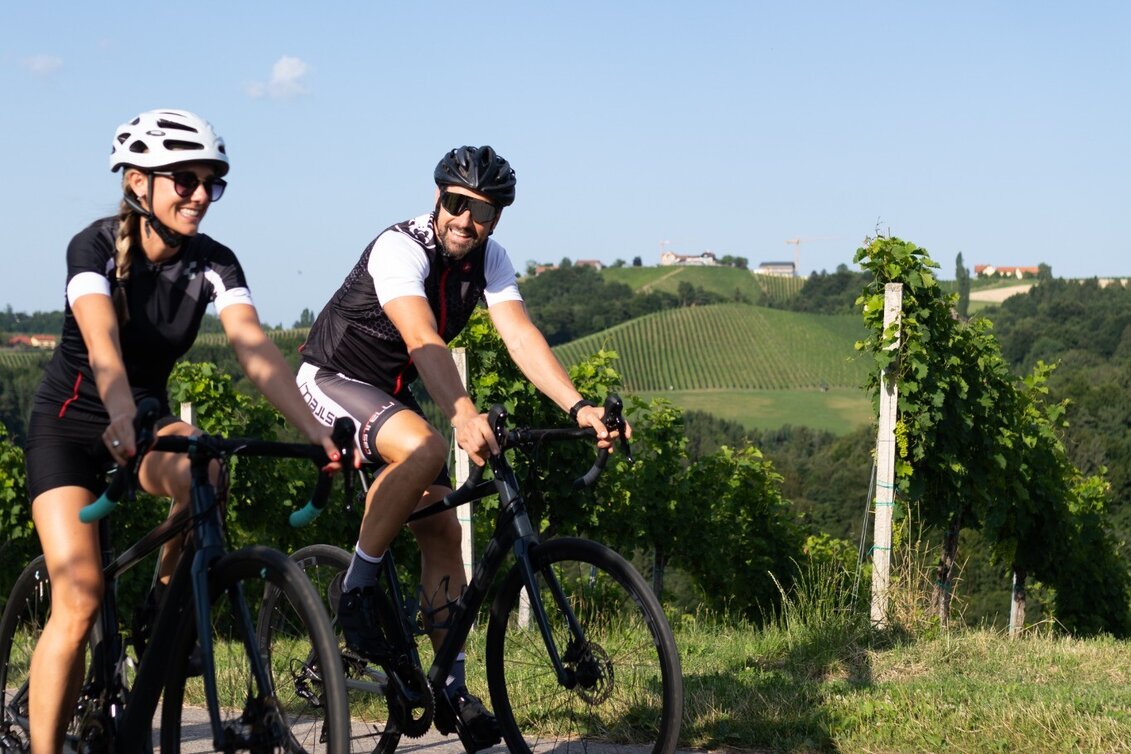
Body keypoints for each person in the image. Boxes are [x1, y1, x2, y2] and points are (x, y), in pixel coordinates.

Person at [23, 109, 343, 754]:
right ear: (138, 182)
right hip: (69, 427)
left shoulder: (214, 261)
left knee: (207, 471)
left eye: (210, 182)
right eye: (184, 180)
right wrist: (116, 411)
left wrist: (316, 429)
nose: (200, 194)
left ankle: (163, 619)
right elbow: (103, 344)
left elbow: (254, 349)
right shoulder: (92, 246)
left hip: (142, 419)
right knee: (79, 600)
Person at [297, 144, 628, 750]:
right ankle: (356, 592)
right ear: (437, 198)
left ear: (497, 219)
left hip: (392, 396)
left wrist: (578, 407)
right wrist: (462, 411)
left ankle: (450, 684)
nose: (465, 220)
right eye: (456, 203)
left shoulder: (490, 260)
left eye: (482, 212)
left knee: (444, 528)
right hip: (332, 380)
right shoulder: (401, 247)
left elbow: (521, 336)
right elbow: (422, 337)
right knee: (425, 448)